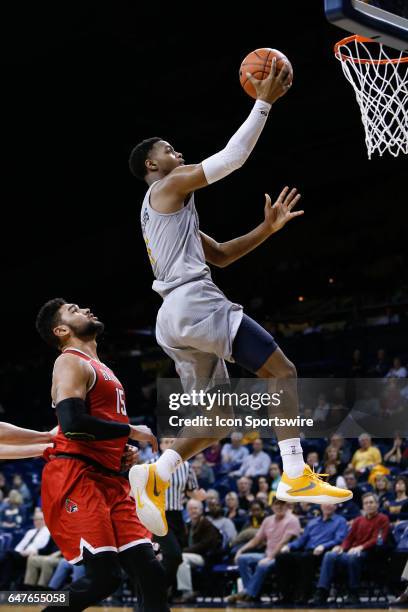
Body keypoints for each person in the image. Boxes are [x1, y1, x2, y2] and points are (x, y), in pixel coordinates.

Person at [128, 58, 351, 537]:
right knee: (282, 371)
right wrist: (263, 104)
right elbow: (231, 159)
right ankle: (294, 473)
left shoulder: (168, 215)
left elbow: (224, 256)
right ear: (152, 165)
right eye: (168, 149)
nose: (177, 151)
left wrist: (267, 229)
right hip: (193, 303)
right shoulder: (169, 186)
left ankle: (156, 473)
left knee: (217, 421)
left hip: (172, 319)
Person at [35, 298, 169, 612]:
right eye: (73, 310)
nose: (85, 309)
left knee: (151, 573)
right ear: (61, 330)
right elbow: (73, 423)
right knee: (103, 579)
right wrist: (130, 431)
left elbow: (101, 425)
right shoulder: (69, 360)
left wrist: (121, 450)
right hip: (78, 477)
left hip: (109, 478)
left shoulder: (101, 366)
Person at [313, 493, 390, 605]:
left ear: (377, 505)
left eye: (371, 502)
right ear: (363, 506)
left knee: (353, 557)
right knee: (330, 555)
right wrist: (341, 548)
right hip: (352, 552)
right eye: (366, 503)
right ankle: (322, 591)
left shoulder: (383, 519)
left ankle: (353, 592)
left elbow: (378, 539)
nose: (368, 505)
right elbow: (349, 538)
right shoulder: (358, 520)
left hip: (371, 553)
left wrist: (361, 547)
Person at [229, 499, 301, 603]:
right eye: (277, 504)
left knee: (263, 565)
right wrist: (240, 551)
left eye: (282, 504)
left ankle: (248, 594)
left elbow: (283, 542)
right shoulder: (268, 520)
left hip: (282, 557)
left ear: (287, 506)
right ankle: (251, 593)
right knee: (242, 559)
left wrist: (270, 557)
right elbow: (256, 540)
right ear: (272, 507)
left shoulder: (292, 520)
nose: (279, 507)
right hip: (266, 554)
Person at [275, 504, 348, 604]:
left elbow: (339, 539)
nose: (328, 506)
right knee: (281, 557)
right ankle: (286, 595)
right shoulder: (313, 522)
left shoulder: (340, 521)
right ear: (321, 506)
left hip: (325, 551)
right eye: (326, 504)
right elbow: (302, 540)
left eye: (331, 504)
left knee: (306, 558)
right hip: (308, 551)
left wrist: (324, 546)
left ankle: (304, 595)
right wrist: (289, 546)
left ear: (335, 507)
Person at [174, 499, 222, 604]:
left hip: (204, 557)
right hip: (190, 555)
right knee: (172, 557)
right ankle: (169, 591)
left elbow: (204, 545)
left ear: (201, 510)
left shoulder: (207, 524)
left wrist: (184, 551)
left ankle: (187, 593)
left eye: (195, 508)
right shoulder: (188, 525)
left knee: (182, 558)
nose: (193, 511)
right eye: (190, 509)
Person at [0, 509, 50, 589]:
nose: (38, 521)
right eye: (36, 519)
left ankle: (4, 586)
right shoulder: (30, 531)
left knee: (7, 555)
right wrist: (19, 552)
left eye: (41, 519)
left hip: (31, 556)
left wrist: (27, 552)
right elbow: (20, 545)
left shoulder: (48, 532)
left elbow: (42, 547)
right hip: (20, 554)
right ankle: (4, 586)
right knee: (8, 558)